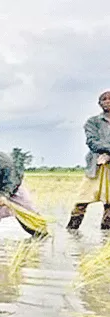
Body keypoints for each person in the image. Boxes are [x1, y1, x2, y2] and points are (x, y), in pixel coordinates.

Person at [66, 91, 110, 230]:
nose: (107, 101)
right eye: (104, 99)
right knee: (82, 200)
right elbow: (93, 143)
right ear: (99, 104)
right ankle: (72, 231)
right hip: (96, 165)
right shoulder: (93, 122)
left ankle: (105, 238)